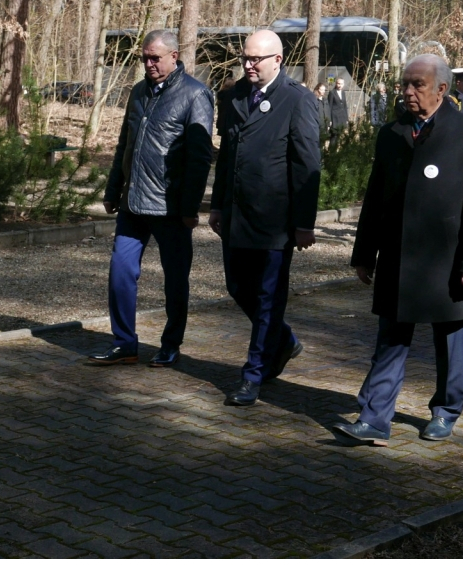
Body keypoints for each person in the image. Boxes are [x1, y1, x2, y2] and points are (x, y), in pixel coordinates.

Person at [335, 54, 463, 446]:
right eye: (405, 84)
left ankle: (446, 410)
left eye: (417, 85)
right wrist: (363, 254)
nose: (408, 92)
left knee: (450, 341)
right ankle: (374, 417)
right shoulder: (392, 132)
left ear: (442, 89)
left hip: (449, 260)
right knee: (390, 339)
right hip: (398, 257)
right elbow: (375, 198)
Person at [208, 30, 321, 406]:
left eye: (256, 59)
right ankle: (284, 340)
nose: (249, 65)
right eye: (245, 58)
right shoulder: (235, 95)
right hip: (237, 215)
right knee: (238, 287)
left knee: (268, 298)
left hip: (275, 221)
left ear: (278, 60)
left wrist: (304, 223)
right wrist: (218, 205)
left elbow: (307, 165)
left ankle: (253, 375)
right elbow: (227, 155)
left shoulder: (297, 100)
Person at [90, 30, 215, 367]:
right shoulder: (138, 92)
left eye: (155, 58)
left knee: (175, 279)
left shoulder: (196, 95)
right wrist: (114, 189)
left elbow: (200, 157)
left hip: (171, 208)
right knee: (120, 271)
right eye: (144, 58)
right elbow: (124, 145)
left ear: (174, 56)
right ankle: (124, 343)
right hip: (133, 203)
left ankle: (171, 343)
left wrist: (190, 208)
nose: (148, 64)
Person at [326, 77, 349, 148]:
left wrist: (346, 118)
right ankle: (331, 153)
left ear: (343, 84)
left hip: (342, 117)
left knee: (339, 136)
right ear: (336, 84)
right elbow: (329, 107)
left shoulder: (343, 92)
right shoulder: (332, 93)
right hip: (334, 118)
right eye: (338, 83)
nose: (340, 85)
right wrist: (329, 120)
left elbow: (345, 106)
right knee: (334, 136)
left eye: (341, 84)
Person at [314, 83, 330, 147]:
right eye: (322, 90)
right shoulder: (315, 100)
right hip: (318, 124)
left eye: (324, 90)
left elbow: (328, 111)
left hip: (325, 124)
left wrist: (329, 122)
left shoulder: (325, 100)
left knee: (323, 142)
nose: (323, 91)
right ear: (318, 89)